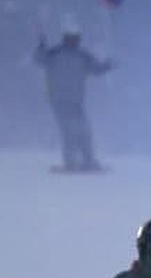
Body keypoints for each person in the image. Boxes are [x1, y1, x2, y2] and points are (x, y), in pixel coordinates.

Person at [33, 14, 113, 171]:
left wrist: (107, 66)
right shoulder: (54, 54)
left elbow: (96, 69)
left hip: (76, 101)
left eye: (76, 38)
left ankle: (88, 160)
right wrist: (41, 45)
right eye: (71, 37)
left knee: (84, 130)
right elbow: (38, 59)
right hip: (58, 100)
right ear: (65, 38)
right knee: (69, 131)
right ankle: (70, 162)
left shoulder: (83, 56)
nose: (74, 40)